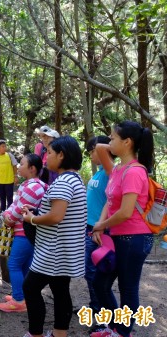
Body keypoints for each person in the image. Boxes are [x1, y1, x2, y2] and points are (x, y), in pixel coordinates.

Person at [90, 121, 155, 337]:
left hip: (134, 239)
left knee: (128, 288)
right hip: (118, 236)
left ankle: (122, 333)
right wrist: (100, 226)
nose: (108, 142)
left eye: (113, 138)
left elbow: (126, 212)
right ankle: (114, 326)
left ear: (127, 142)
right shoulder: (117, 168)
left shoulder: (135, 172)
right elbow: (110, 201)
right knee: (100, 283)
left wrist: (101, 225)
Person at [21, 135, 87, 337]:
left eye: (48, 153)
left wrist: (31, 219)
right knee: (60, 290)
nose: (45, 158)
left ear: (61, 155)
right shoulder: (75, 180)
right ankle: (59, 333)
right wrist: (37, 212)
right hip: (66, 250)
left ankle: (36, 334)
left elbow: (56, 216)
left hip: (53, 252)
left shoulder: (63, 182)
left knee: (30, 288)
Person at [0, 154, 47, 313]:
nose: (18, 166)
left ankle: (18, 300)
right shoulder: (30, 185)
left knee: (14, 264)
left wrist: (8, 217)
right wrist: (8, 214)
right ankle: (24, 296)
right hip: (26, 232)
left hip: (24, 233)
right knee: (24, 265)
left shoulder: (33, 187)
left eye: (22, 163)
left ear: (32, 169)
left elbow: (16, 211)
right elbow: (15, 205)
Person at [83, 135, 114, 332]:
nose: (91, 154)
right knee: (90, 273)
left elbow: (112, 203)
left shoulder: (111, 173)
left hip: (100, 230)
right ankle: (97, 310)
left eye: (92, 150)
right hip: (91, 228)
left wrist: (101, 227)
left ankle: (103, 317)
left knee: (96, 275)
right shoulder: (99, 173)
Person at [0, 139, 18, 211]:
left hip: (9, 180)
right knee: (2, 197)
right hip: (0, 181)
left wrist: (15, 176)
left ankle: (10, 211)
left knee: (10, 197)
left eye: (5, 146)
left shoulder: (9, 155)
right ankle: (2, 211)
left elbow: (14, 166)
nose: (5, 148)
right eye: (3, 146)